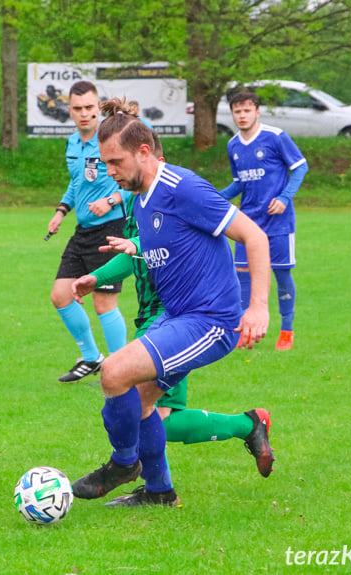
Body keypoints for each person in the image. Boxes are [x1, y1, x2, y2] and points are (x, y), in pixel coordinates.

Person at [70, 98, 271, 507]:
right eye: (105, 164)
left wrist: (258, 306)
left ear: (144, 152)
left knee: (113, 373)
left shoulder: (184, 188)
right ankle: (159, 492)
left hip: (211, 321)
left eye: (116, 162)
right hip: (176, 315)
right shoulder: (141, 198)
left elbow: (255, 236)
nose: (110, 173)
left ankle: (125, 463)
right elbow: (167, 248)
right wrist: (100, 275)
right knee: (142, 401)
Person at [47, 80, 130, 383]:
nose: (84, 114)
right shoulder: (72, 143)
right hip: (82, 231)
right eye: (78, 108)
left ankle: (123, 366)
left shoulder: (113, 139)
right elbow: (77, 182)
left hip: (110, 230)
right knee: (60, 295)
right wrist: (61, 210)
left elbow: (138, 178)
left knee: (103, 302)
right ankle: (93, 358)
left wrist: (111, 200)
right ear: (69, 110)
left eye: (90, 108)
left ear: (98, 108)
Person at [221, 91, 308, 350]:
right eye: (237, 111)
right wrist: (210, 197)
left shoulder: (275, 137)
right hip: (247, 224)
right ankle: (245, 332)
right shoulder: (233, 145)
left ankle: (287, 330)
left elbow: (300, 166)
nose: (242, 115)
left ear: (257, 112)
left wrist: (284, 197)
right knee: (243, 277)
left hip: (278, 222)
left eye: (247, 110)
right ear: (233, 114)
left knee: (281, 274)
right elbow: (238, 183)